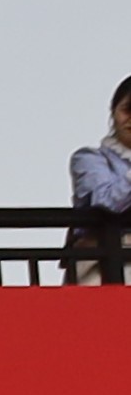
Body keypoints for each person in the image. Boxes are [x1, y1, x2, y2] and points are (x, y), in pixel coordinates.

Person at [71, 76, 131, 284]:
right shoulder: (90, 158)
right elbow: (105, 202)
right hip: (105, 264)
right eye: (127, 110)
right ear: (113, 112)